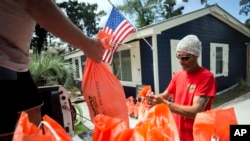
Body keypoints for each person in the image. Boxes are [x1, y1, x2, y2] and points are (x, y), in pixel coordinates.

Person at [0, 0, 105, 140]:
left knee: (33, 125)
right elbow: (37, 4)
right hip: (4, 67)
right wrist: (88, 45)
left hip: (17, 65)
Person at [147, 34, 217, 141]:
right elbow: (165, 95)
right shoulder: (178, 75)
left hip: (197, 136)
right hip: (177, 134)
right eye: (178, 57)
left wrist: (165, 104)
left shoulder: (206, 77)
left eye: (185, 58)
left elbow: (196, 111)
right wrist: (153, 98)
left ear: (196, 55)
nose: (180, 61)